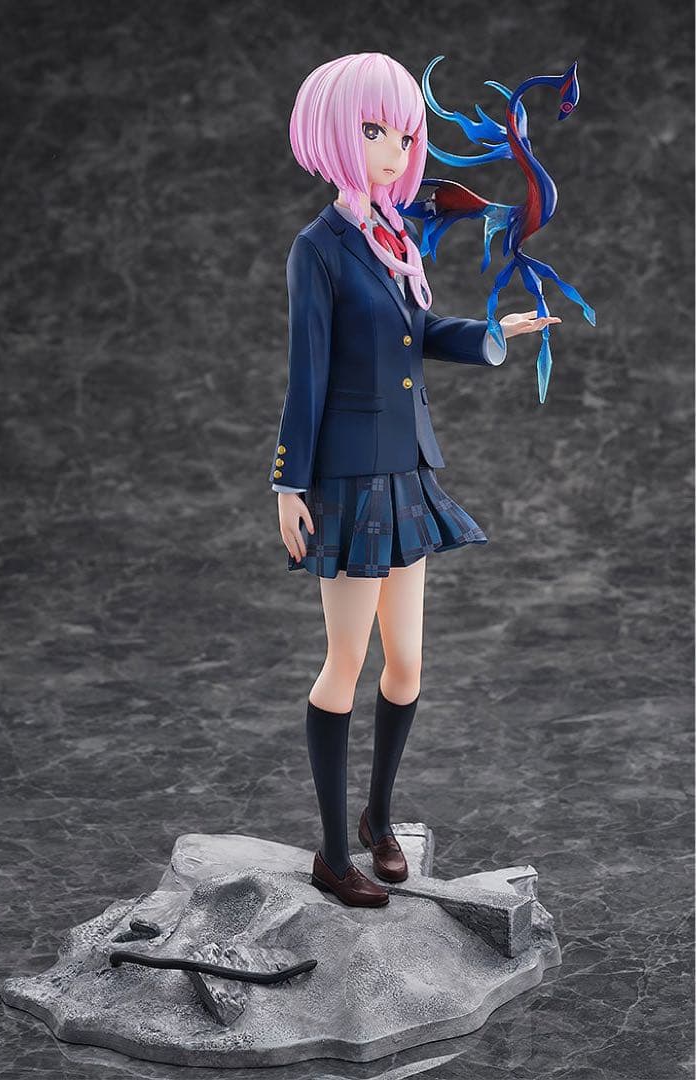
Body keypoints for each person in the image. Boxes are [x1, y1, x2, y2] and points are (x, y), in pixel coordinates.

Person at [268, 52, 561, 908]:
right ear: (336, 134)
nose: (395, 151)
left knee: (407, 665)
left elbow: (419, 331)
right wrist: (288, 484)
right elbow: (306, 376)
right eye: (375, 131)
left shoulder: (390, 235)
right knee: (345, 663)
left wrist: (492, 332)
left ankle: (377, 819)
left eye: (404, 135)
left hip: (407, 471)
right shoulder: (318, 249)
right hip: (348, 479)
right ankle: (332, 857)